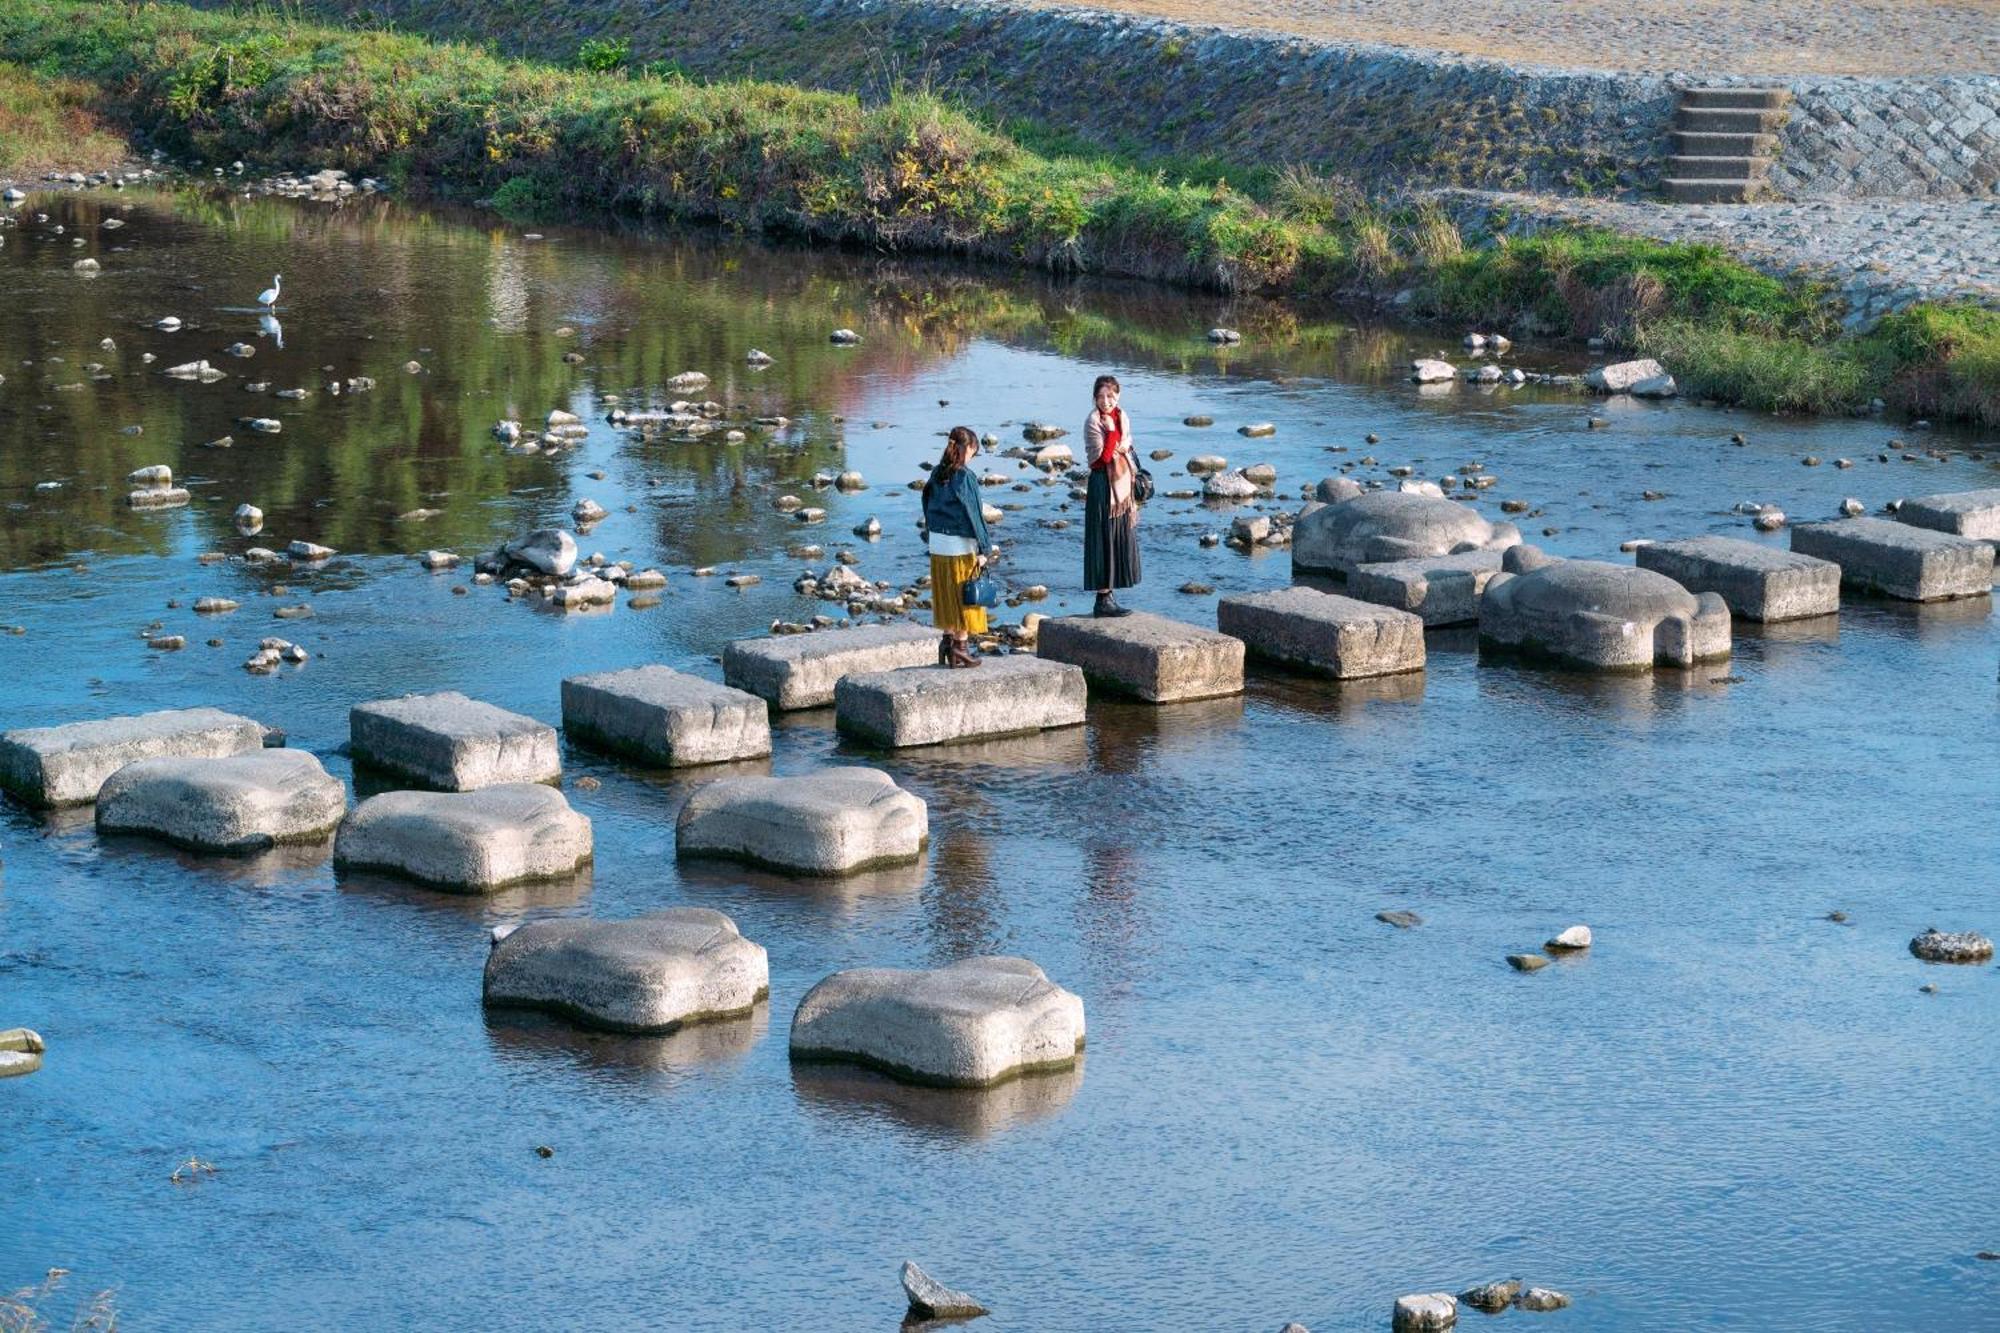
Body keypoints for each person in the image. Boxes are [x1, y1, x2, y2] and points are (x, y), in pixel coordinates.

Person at [921, 425, 992, 668]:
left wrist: (932, 534)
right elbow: (974, 514)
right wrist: (985, 549)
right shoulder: (965, 476)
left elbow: (925, 502)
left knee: (945, 594)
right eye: (974, 450)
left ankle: (947, 643)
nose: (973, 455)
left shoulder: (936, 473)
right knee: (965, 598)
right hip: (960, 546)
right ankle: (961, 648)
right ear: (967, 448)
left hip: (938, 545)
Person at [1083, 373, 1141, 617]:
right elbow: (1102, 458)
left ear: (1118, 395)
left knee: (1119, 537)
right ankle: (1102, 599)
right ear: (1094, 398)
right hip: (1101, 486)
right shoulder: (1093, 421)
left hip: (1122, 488)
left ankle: (1110, 596)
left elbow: (1128, 446)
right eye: (1101, 396)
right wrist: (1111, 434)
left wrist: (1117, 438)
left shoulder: (1122, 416)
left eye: (1110, 396)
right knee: (1103, 540)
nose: (1106, 401)